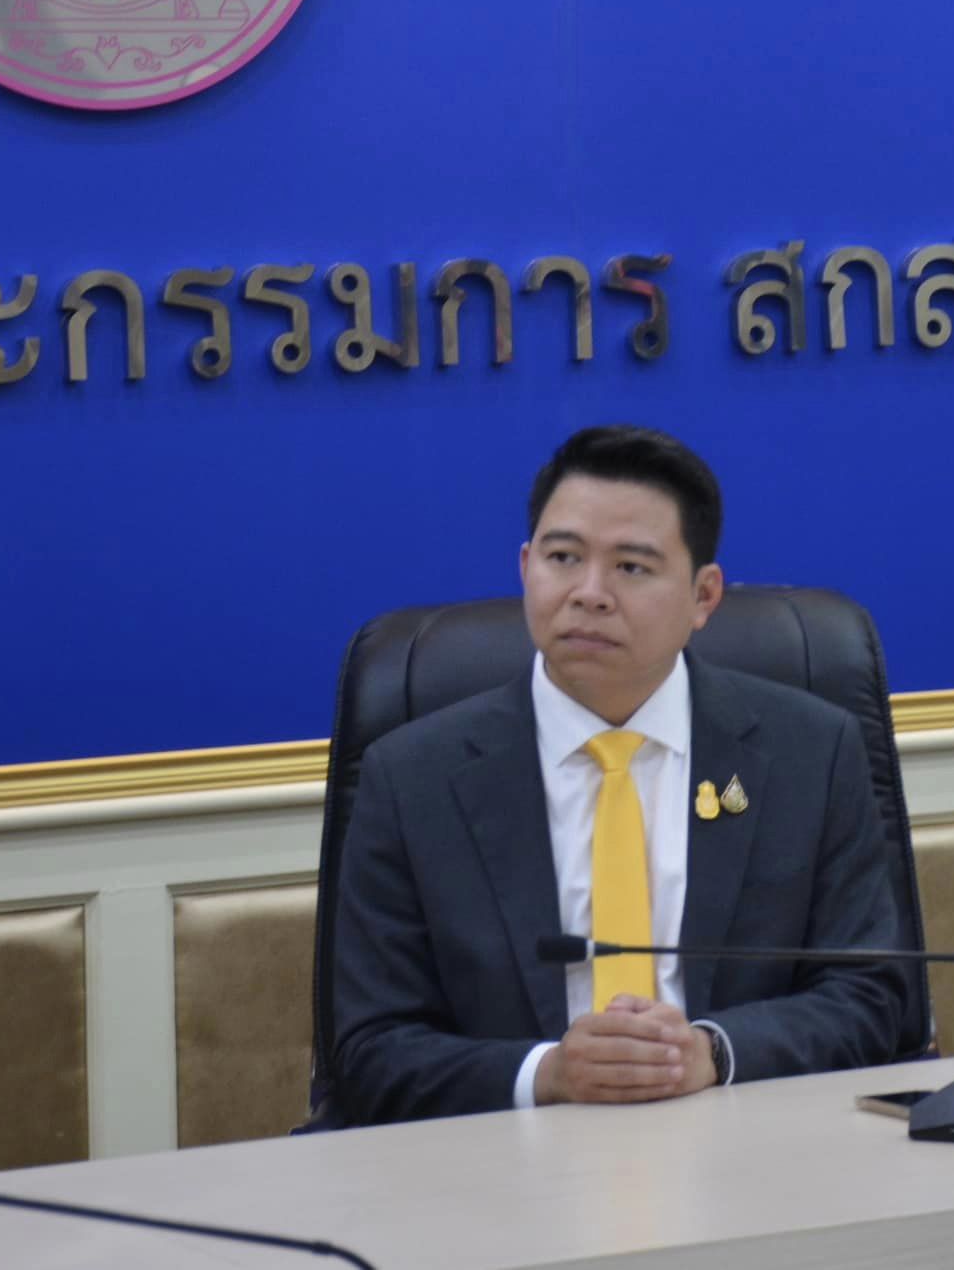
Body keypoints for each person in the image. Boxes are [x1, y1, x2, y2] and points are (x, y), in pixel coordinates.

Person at [330, 425, 914, 1125]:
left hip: (750, 1141)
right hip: (503, 1155)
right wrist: (547, 1073)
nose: (590, 593)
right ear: (526, 568)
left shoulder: (809, 754)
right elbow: (369, 1049)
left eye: (632, 568)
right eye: (563, 558)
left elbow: (870, 998)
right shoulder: (411, 778)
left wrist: (711, 1052)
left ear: (703, 597)